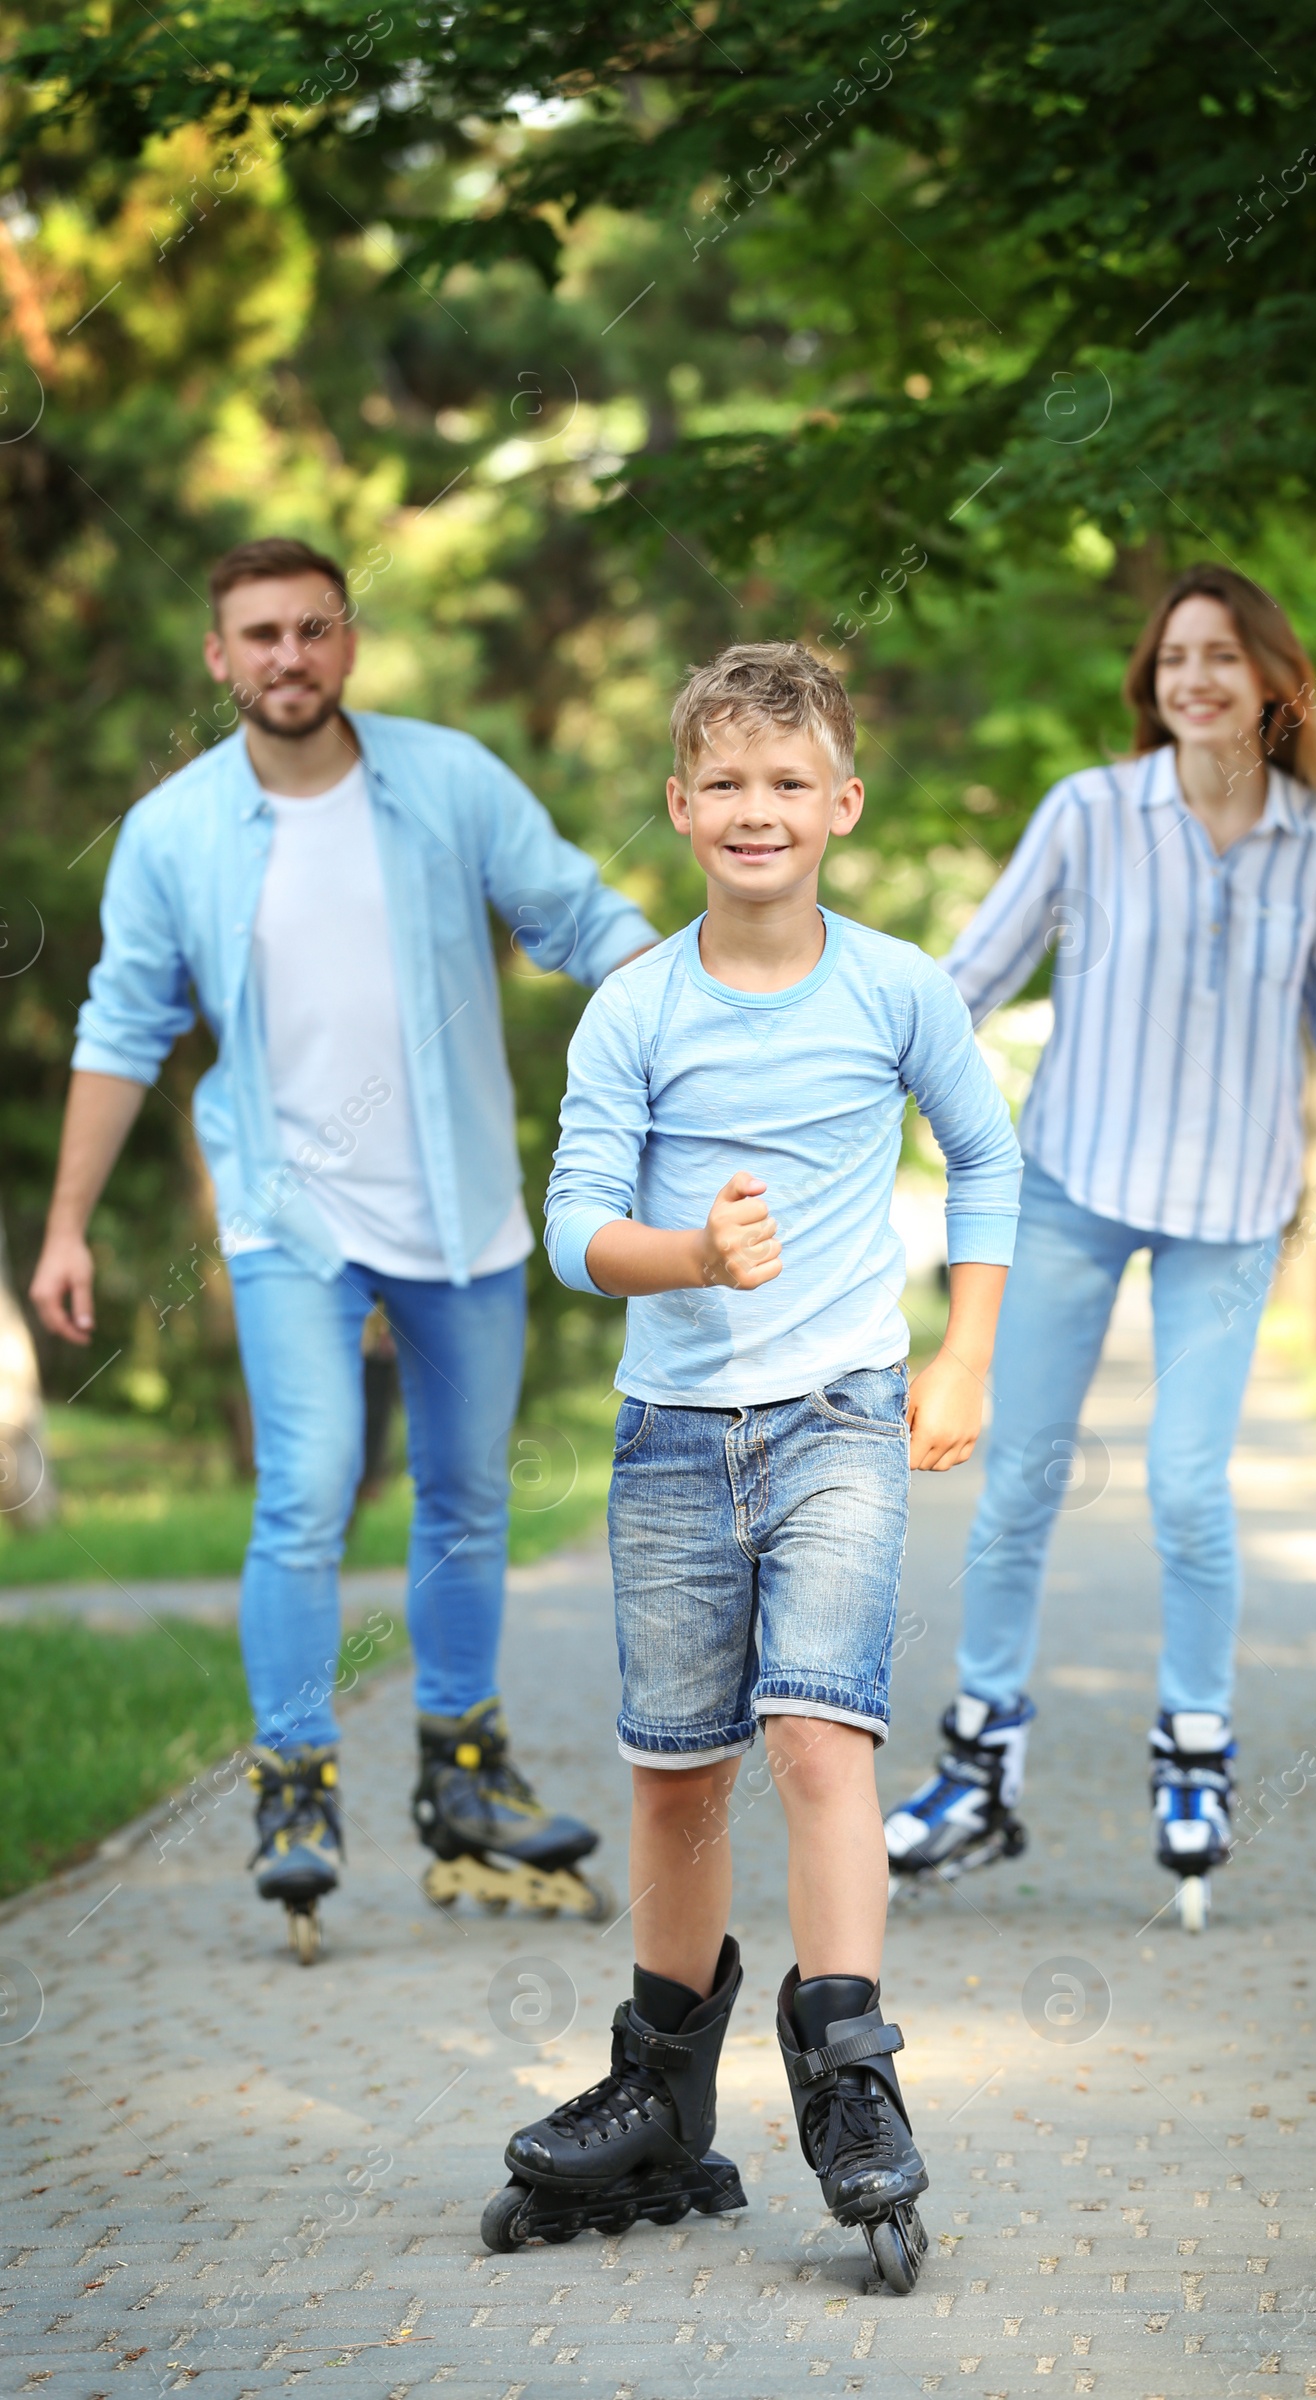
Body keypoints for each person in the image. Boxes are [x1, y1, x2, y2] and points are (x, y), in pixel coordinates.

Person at [882, 562, 1316, 1934]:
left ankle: (1194, 1758)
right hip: (1070, 1185)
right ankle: (978, 1765)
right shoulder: (1089, 814)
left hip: (1228, 1207)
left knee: (1190, 1489)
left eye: (1220, 656)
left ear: (1274, 681)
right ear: (1152, 685)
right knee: (1019, 1474)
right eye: (1172, 659)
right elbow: (964, 979)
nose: (1193, 679)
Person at [29, 536, 656, 1959]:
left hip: (462, 1206)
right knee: (304, 1492)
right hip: (287, 1219)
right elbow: (121, 1028)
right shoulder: (176, 830)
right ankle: (295, 1785)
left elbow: (580, 916)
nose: (288, 659)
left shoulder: (447, 781)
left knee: (467, 1497)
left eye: (313, 630)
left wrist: (704, 1005)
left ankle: (465, 1778)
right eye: (259, 635)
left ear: (349, 642)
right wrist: (67, 1225)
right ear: (219, 658)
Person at [480, 643, 1020, 2288]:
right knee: (672, 1766)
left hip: (842, 1416)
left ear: (842, 806)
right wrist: (689, 1259)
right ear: (678, 807)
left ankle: (851, 2079)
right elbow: (573, 1229)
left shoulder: (897, 987)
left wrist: (966, 1351)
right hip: (668, 1438)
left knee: (815, 1739)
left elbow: (988, 1156)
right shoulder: (636, 1005)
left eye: (790, 783)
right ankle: (660, 2090)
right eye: (725, 782)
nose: (757, 809)